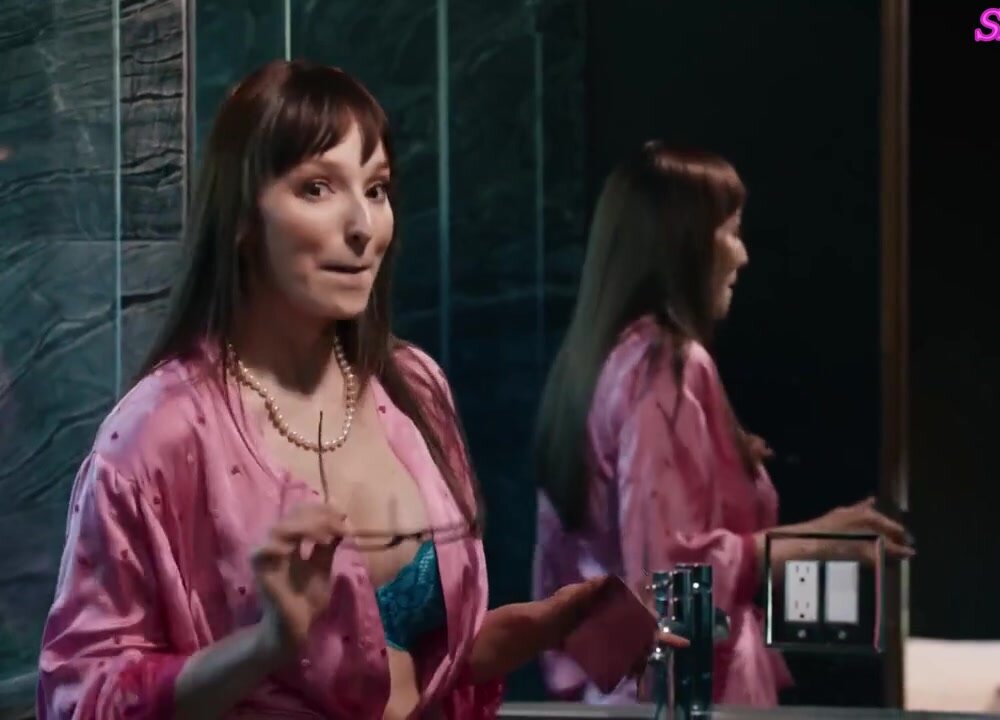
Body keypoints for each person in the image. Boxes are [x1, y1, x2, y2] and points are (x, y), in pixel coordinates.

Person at [36, 60, 676, 720]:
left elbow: (413, 665)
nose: (363, 226)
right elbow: (79, 697)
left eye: (376, 189)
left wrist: (544, 624)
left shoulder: (413, 386)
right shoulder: (159, 431)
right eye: (317, 188)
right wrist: (263, 646)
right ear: (241, 216)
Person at [531, 141, 915, 707]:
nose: (742, 255)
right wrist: (811, 543)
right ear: (683, 243)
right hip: (688, 699)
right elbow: (671, 576)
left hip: (615, 697)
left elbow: (564, 572)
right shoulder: (666, 367)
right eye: (730, 232)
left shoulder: (590, 367)